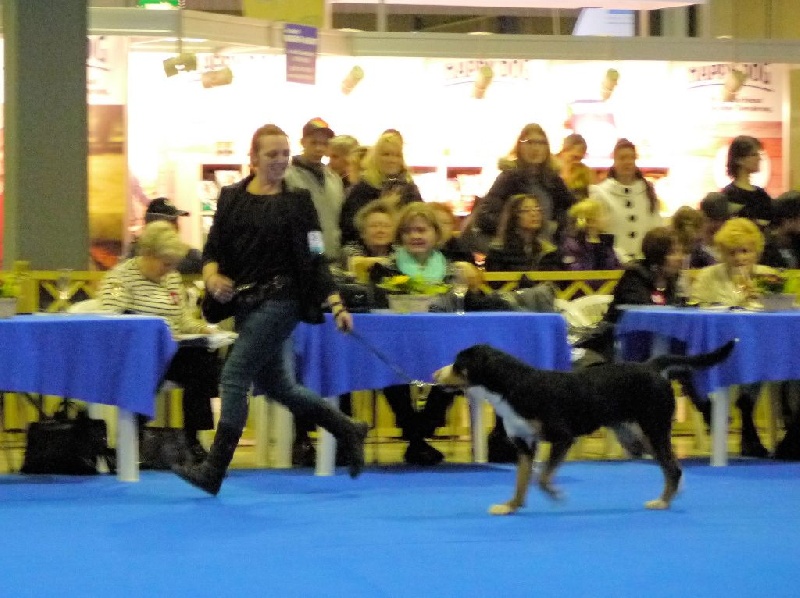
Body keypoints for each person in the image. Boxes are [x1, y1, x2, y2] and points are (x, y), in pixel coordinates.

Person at [173, 123, 367, 495]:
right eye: (271, 154)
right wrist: (213, 278)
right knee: (278, 385)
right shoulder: (231, 198)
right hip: (244, 304)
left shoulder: (298, 203)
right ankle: (346, 427)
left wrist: (337, 302)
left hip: (284, 301)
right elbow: (213, 251)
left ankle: (213, 469)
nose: (280, 160)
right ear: (254, 159)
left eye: (284, 153)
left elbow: (315, 259)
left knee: (234, 375)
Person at [99, 220, 219, 464]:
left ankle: (192, 440)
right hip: (136, 355)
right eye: (166, 263)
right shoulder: (120, 279)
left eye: (174, 264)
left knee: (202, 360)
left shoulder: (172, 278)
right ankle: (134, 434)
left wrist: (203, 330)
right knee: (146, 364)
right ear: (147, 254)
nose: (170, 270)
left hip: (172, 352)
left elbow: (182, 319)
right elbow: (111, 320)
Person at [368, 203, 472, 466]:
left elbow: (457, 305)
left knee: (459, 368)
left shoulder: (453, 270)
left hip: (442, 343)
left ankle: (417, 434)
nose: (416, 236)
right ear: (400, 237)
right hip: (397, 344)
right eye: (408, 231)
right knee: (386, 368)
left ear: (436, 235)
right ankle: (417, 437)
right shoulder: (386, 268)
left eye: (422, 230)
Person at [690, 217, 778, 457]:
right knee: (750, 353)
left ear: (756, 251)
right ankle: (742, 416)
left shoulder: (768, 277)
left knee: (764, 355)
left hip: (758, 347)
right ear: (721, 253)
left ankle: (748, 413)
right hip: (716, 346)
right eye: (732, 253)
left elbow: (779, 311)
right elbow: (697, 309)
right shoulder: (708, 276)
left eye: (745, 251)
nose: (739, 258)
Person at [474, 123, 575, 244]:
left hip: (547, 250)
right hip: (515, 250)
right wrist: (518, 224)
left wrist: (557, 226)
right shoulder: (508, 179)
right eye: (529, 142)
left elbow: (571, 210)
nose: (535, 148)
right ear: (519, 147)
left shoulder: (554, 181)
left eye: (541, 143)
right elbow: (485, 217)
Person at [339, 131, 422, 247]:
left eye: (397, 155)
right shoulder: (363, 188)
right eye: (386, 154)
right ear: (376, 157)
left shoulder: (410, 189)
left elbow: (421, 222)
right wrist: (383, 205)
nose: (392, 159)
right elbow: (350, 227)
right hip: (366, 253)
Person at [589, 138, 662, 263]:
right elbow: (598, 233)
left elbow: (656, 229)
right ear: (614, 161)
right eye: (622, 158)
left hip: (646, 264)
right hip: (613, 264)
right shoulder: (599, 193)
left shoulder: (648, 192)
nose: (627, 162)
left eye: (631, 158)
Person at [284, 117, 345, 264]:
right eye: (314, 142)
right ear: (303, 142)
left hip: (333, 258)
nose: (319, 148)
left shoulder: (334, 179)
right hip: (301, 262)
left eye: (324, 143)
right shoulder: (287, 177)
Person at [484, 193, 564, 272]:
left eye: (537, 209)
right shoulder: (499, 251)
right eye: (526, 210)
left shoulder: (548, 250)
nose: (534, 214)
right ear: (514, 215)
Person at [128, 197, 203, 275]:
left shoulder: (192, 256)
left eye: (176, 221)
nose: (177, 227)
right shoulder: (134, 257)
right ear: (152, 226)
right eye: (171, 222)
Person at [720, 135, 772, 226]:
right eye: (754, 155)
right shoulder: (728, 195)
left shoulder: (762, 195)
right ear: (739, 160)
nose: (759, 158)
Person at [560, 198, 621, 272]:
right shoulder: (573, 244)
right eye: (602, 215)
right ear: (591, 221)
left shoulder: (606, 243)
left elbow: (615, 266)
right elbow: (575, 270)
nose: (607, 218)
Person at [340, 199, 396, 271]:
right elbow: (356, 264)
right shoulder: (350, 250)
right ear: (362, 232)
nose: (380, 230)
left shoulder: (399, 251)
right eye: (374, 226)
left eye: (386, 226)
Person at [556, 133, 595, 200]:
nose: (577, 162)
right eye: (574, 157)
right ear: (564, 150)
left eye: (580, 158)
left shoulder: (585, 173)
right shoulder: (549, 169)